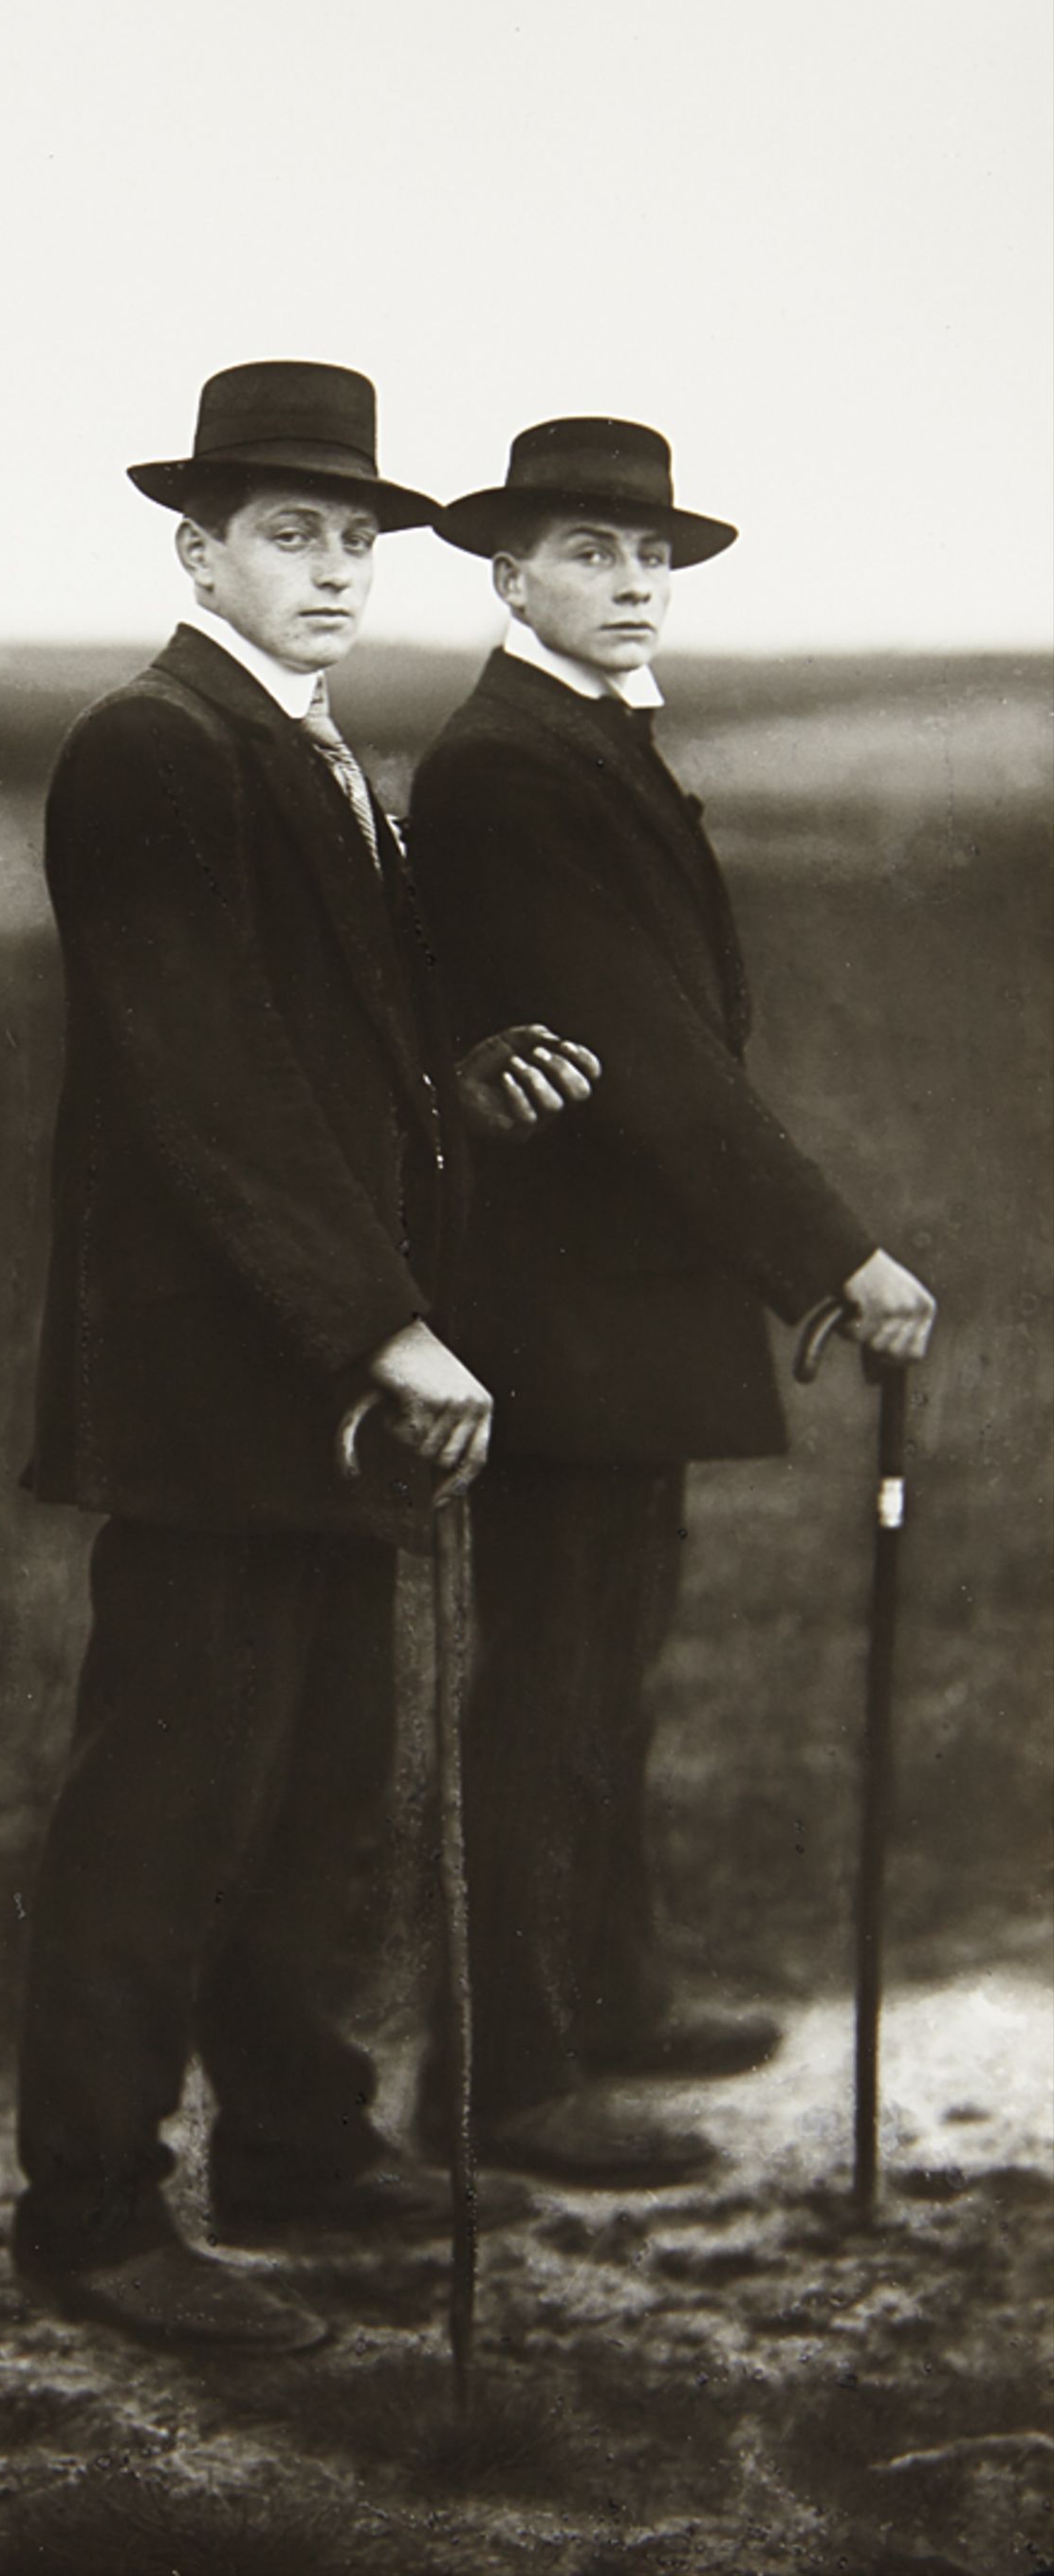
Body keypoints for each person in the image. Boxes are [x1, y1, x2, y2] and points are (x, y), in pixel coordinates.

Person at [13, 361, 600, 2351]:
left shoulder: (310, 746)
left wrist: (455, 1079)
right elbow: (208, 1088)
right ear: (201, 548)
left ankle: (290, 2142)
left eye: (356, 536)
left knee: (324, 1777)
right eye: (292, 532)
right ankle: (88, 2213)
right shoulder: (150, 749)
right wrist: (382, 1322)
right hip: (213, 1383)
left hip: (327, 1374)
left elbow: (327, 1054)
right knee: (165, 1796)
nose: (336, 566)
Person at [405, 416, 937, 2187]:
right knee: (549, 1682)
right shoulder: (509, 766)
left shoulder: (581, 740)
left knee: (609, 1668)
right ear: (509, 576)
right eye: (588, 554)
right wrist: (836, 1257)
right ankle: (506, 2074)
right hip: (561, 1306)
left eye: (649, 560)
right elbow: (647, 1055)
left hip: (624, 1300)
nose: (630, 585)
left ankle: (614, 1994)